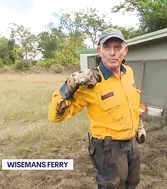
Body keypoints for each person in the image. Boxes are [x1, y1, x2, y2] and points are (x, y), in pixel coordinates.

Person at [48, 28, 146, 189]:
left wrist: (139, 126)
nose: (112, 52)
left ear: (125, 50)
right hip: (109, 149)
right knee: (112, 186)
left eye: (117, 47)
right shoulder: (90, 83)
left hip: (131, 143)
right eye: (107, 47)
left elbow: (131, 103)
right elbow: (55, 116)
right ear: (99, 50)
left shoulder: (128, 72)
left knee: (132, 182)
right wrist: (69, 85)